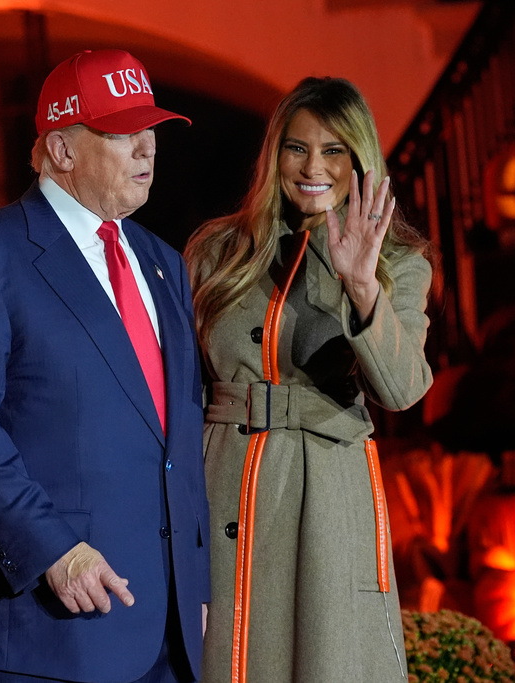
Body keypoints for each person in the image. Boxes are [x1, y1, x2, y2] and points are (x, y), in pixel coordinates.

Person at [0, 48, 209, 683]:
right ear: (62, 149)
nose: (146, 149)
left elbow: (179, 436)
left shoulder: (165, 262)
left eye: (151, 130)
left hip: (169, 631)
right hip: (49, 625)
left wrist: (198, 583)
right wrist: (53, 550)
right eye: (122, 133)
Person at [184, 76, 434, 683]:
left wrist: (361, 285)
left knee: (327, 658)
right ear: (275, 155)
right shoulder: (217, 250)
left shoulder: (398, 261)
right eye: (297, 148)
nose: (312, 166)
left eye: (333, 151)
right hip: (224, 477)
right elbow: (179, 382)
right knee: (226, 651)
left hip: (326, 489)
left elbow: (402, 390)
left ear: (360, 161)